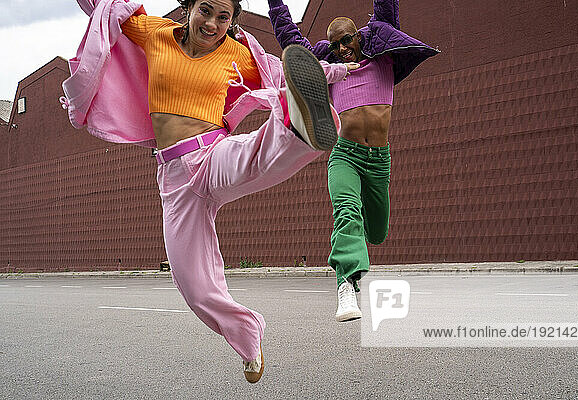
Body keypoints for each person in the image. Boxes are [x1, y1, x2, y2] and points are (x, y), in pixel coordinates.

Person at [61, 0, 357, 383]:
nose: (212, 24)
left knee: (252, 157)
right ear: (188, 8)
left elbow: (286, 71)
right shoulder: (155, 33)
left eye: (223, 17)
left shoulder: (237, 54)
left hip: (212, 153)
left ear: (232, 21)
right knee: (194, 287)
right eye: (206, 11)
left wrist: (337, 71)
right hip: (173, 178)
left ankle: (296, 126)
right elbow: (100, 4)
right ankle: (248, 338)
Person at [267, 0, 439, 322]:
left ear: (358, 36)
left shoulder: (382, 56)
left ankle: (355, 257)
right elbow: (290, 38)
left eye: (347, 40)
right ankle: (345, 284)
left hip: (378, 160)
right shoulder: (332, 71)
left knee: (376, 232)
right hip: (344, 155)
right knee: (346, 211)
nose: (343, 48)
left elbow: (386, 5)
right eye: (335, 45)